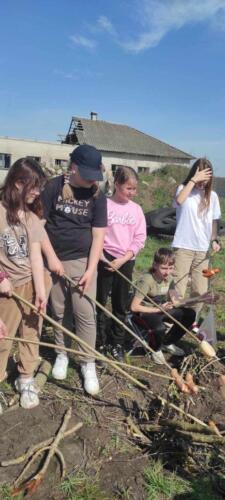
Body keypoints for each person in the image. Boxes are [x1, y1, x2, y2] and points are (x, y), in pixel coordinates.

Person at [41, 144, 107, 395]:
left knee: (85, 313)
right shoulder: (53, 187)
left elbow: (98, 235)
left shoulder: (97, 195)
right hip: (54, 261)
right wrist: (52, 258)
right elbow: (40, 225)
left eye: (95, 175)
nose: (92, 179)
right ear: (74, 167)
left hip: (83, 261)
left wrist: (91, 270)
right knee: (59, 311)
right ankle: (62, 354)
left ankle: (87, 362)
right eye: (87, 174)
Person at [0, 157, 53, 409]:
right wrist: (1, 278)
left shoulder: (31, 217)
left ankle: (26, 377)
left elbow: (35, 256)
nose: (37, 192)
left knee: (32, 332)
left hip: (31, 282)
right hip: (7, 289)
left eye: (39, 187)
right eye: (33, 186)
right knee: (2, 338)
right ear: (18, 182)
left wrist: (41, 294)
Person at [96, 166, 146, 362]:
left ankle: (116, 343)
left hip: (125, 260)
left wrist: (124, 258)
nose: (132, 193)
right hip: (105, 257)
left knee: (120, 303)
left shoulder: (136, 210)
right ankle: (99, 343)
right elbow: (97, 231)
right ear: (116, 184)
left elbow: (140, 238)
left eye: (134, 189)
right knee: (99, 301)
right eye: (128, 188)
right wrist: (100, 254)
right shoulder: (104, 205)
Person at [172, 158, 221, 323]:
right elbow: (179, 201)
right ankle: (170, 321)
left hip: (202, 250)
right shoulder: (182, 189)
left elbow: (214, 221)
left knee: (200, 291)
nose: (203, 182)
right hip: (183, 246)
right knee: (177, 288)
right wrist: (194, 180)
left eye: (206, 178)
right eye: (200, 176)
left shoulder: (212, 197)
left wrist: (215, 240)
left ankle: (190, 321)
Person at [130, 248, 195, 364]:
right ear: (155, 265)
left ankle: (167, 342)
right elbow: (134, 307)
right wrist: (159, 309)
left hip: (160, 309)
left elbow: (176, 300)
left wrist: (200, 298)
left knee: (189, 314)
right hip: (144, 312)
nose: (167, 272)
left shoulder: (169, 279)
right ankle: (155, 348)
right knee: (160, 328)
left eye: (171, 268)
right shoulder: (147, 280)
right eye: (164, 268)